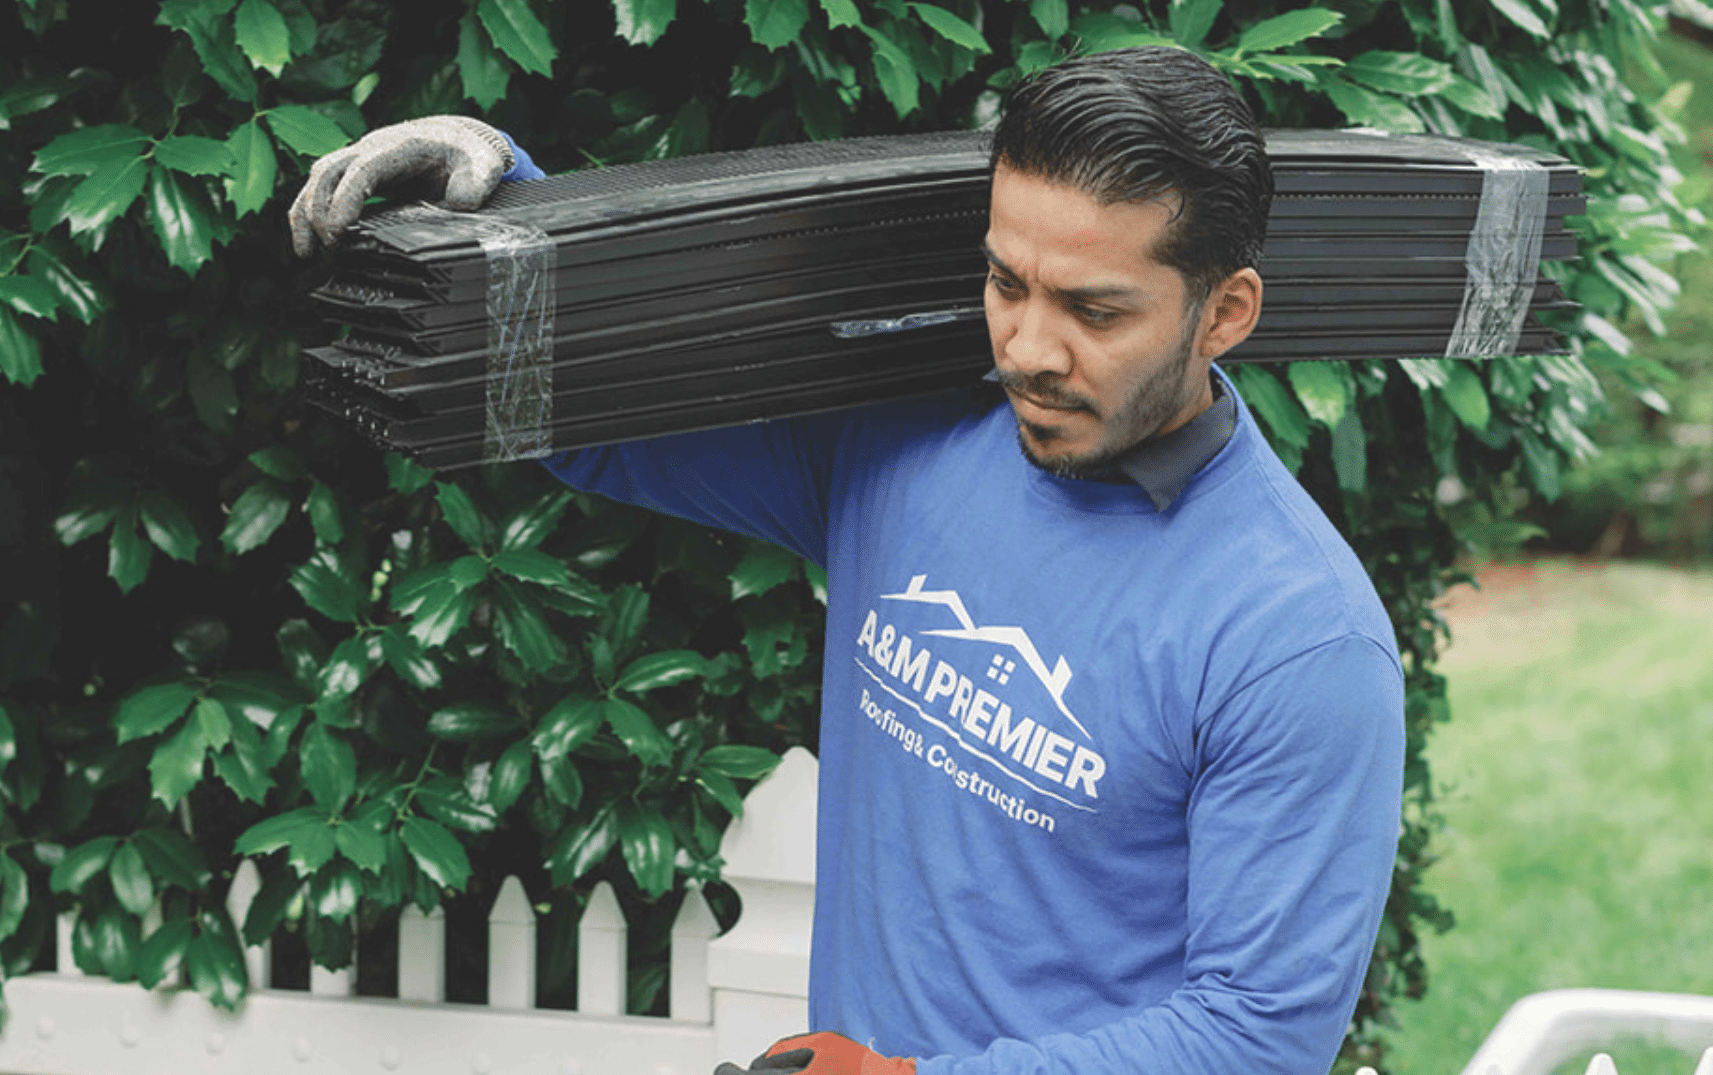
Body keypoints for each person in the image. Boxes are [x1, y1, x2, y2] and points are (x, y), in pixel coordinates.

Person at [291, 46, 1405, 1075]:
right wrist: (505, 214)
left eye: (1092, 310)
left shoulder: (1295, 638)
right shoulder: (911, 445)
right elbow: (600, 424)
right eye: (1005, 282)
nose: (1025, 347)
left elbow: (1255, 1037)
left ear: (1224, 314)